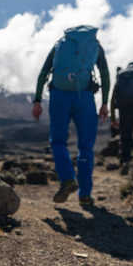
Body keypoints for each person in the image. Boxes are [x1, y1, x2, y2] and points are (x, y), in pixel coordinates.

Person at [32, 26, 109, 206]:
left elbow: (44, 72)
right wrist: (105, 103)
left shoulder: (60, 44)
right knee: (86, 145)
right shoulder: (94, 45)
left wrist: (37, 100)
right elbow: (104, 74)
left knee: (58, 141)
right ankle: (85, 193)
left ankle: (67, 179)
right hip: (85, 97)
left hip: (59, 95)